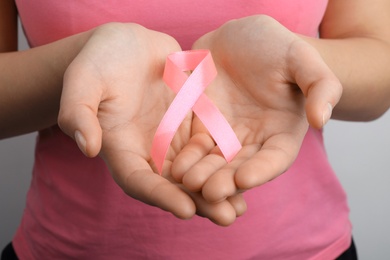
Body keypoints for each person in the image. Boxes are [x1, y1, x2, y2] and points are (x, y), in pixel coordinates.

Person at [1, 0, 390, 259]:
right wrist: (78, 64)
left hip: (308, 250)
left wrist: (295, 63)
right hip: (67, 247)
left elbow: (381, 64)